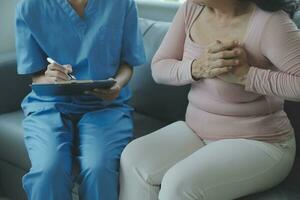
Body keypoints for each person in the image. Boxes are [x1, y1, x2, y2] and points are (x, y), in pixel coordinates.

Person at [119, 0, 300, 199]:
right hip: (198, 132)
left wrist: (246, 76)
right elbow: (159, 68)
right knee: (134, 158)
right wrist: (197, 67)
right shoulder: (191, 9)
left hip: (260, 142)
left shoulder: (272, 24)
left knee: (178, 185)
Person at [15, 0, 145, 199]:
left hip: (106, 106)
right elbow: (36, 75)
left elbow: (128, 64)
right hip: (50, 105)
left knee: (99, 169)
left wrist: (117, 84)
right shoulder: (30, 6)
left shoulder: (122, 4)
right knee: (49, 170)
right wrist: (50, 78)